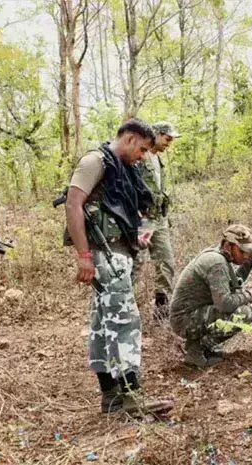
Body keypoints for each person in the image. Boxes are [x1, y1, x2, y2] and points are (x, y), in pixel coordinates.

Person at [65, 119, 173, 415]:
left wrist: (139, 233)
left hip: (118, 252)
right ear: (128, 139)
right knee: (125, 321)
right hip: (104, 254)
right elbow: (73, 204)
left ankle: (111, 396)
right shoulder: (95, 161)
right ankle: (132, 397)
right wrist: (83, 255)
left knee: (103, 323)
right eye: (141, 149)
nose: (142, 156)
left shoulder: (122, 168)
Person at [169, 224, 252, 367]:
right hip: (184, 319)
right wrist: (251, 295)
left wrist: (250, 261)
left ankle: (199, 346)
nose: (245, 255)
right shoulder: (216, 263)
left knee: (244, 307)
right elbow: (224, 303)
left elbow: (233, 284)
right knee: (244, 313)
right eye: (242, 251)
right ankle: (197, 349)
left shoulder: (218, 256)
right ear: (228, 246)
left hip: (189, 315)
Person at [135, 121, 180, 321]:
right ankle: (125, 308)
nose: (169, 144)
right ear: (157, 134)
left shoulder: (158, 159)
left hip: (159, 219)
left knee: (166, 262)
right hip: (143, 220)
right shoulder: (139, 157)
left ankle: (161, 310)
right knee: (136, 264)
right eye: (167, 139)